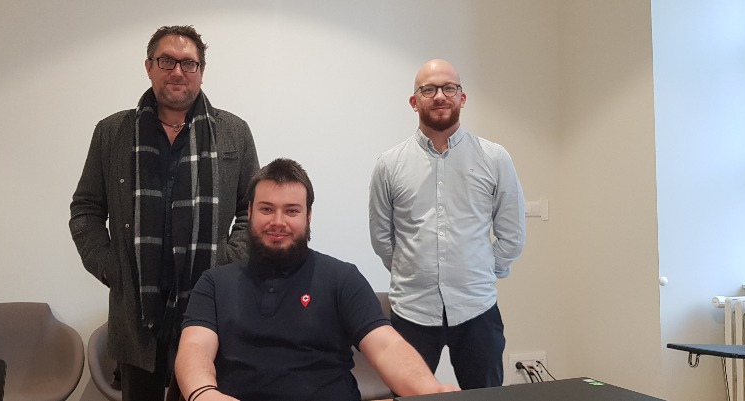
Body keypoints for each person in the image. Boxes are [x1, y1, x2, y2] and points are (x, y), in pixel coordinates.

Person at [69, 25, 259, 401]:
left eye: (188, 63)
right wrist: (111, 266)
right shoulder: (112, 133)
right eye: (166, 61)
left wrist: (227, 260)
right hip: (136, 308)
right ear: (149, 67)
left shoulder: (234, 132)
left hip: (207, 301)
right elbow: (85, 209)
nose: (177, 71)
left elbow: (252, 209)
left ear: (201, 71)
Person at [172, 158, 459, 401]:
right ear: (249, 212)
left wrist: (430, 390)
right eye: (266, 209)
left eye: (291, 210)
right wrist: (203, 393)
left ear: (308, 216)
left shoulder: (342, 278)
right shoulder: (214, 283)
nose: (278, 221)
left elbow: (386, 346)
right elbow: (195, 347)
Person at [368, 59, 526, 389]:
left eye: (448, 88)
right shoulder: (389, 165)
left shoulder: (494, 158)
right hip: (412, 310)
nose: (440, 96)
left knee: (485, 397)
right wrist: (411, 270)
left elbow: (512, 234)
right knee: (408, 395)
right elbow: (382, 237)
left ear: (462, 97)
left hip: (476, 309)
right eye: (428, 89)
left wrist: (483, 270)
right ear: (414, 101)